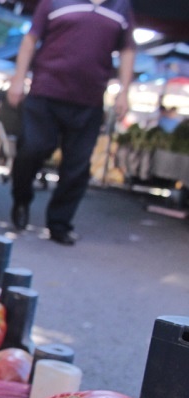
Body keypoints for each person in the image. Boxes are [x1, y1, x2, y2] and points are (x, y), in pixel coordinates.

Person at [7, 0, 135, 246]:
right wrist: (18, 78)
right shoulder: (54, 1)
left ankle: (59, 223)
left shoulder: (121, 7)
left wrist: (124, 91)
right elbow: (31, 39)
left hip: (90, 100)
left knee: (77, 166)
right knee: (33, 148)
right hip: (45, 92)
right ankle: (21, 198)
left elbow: (127, 50)